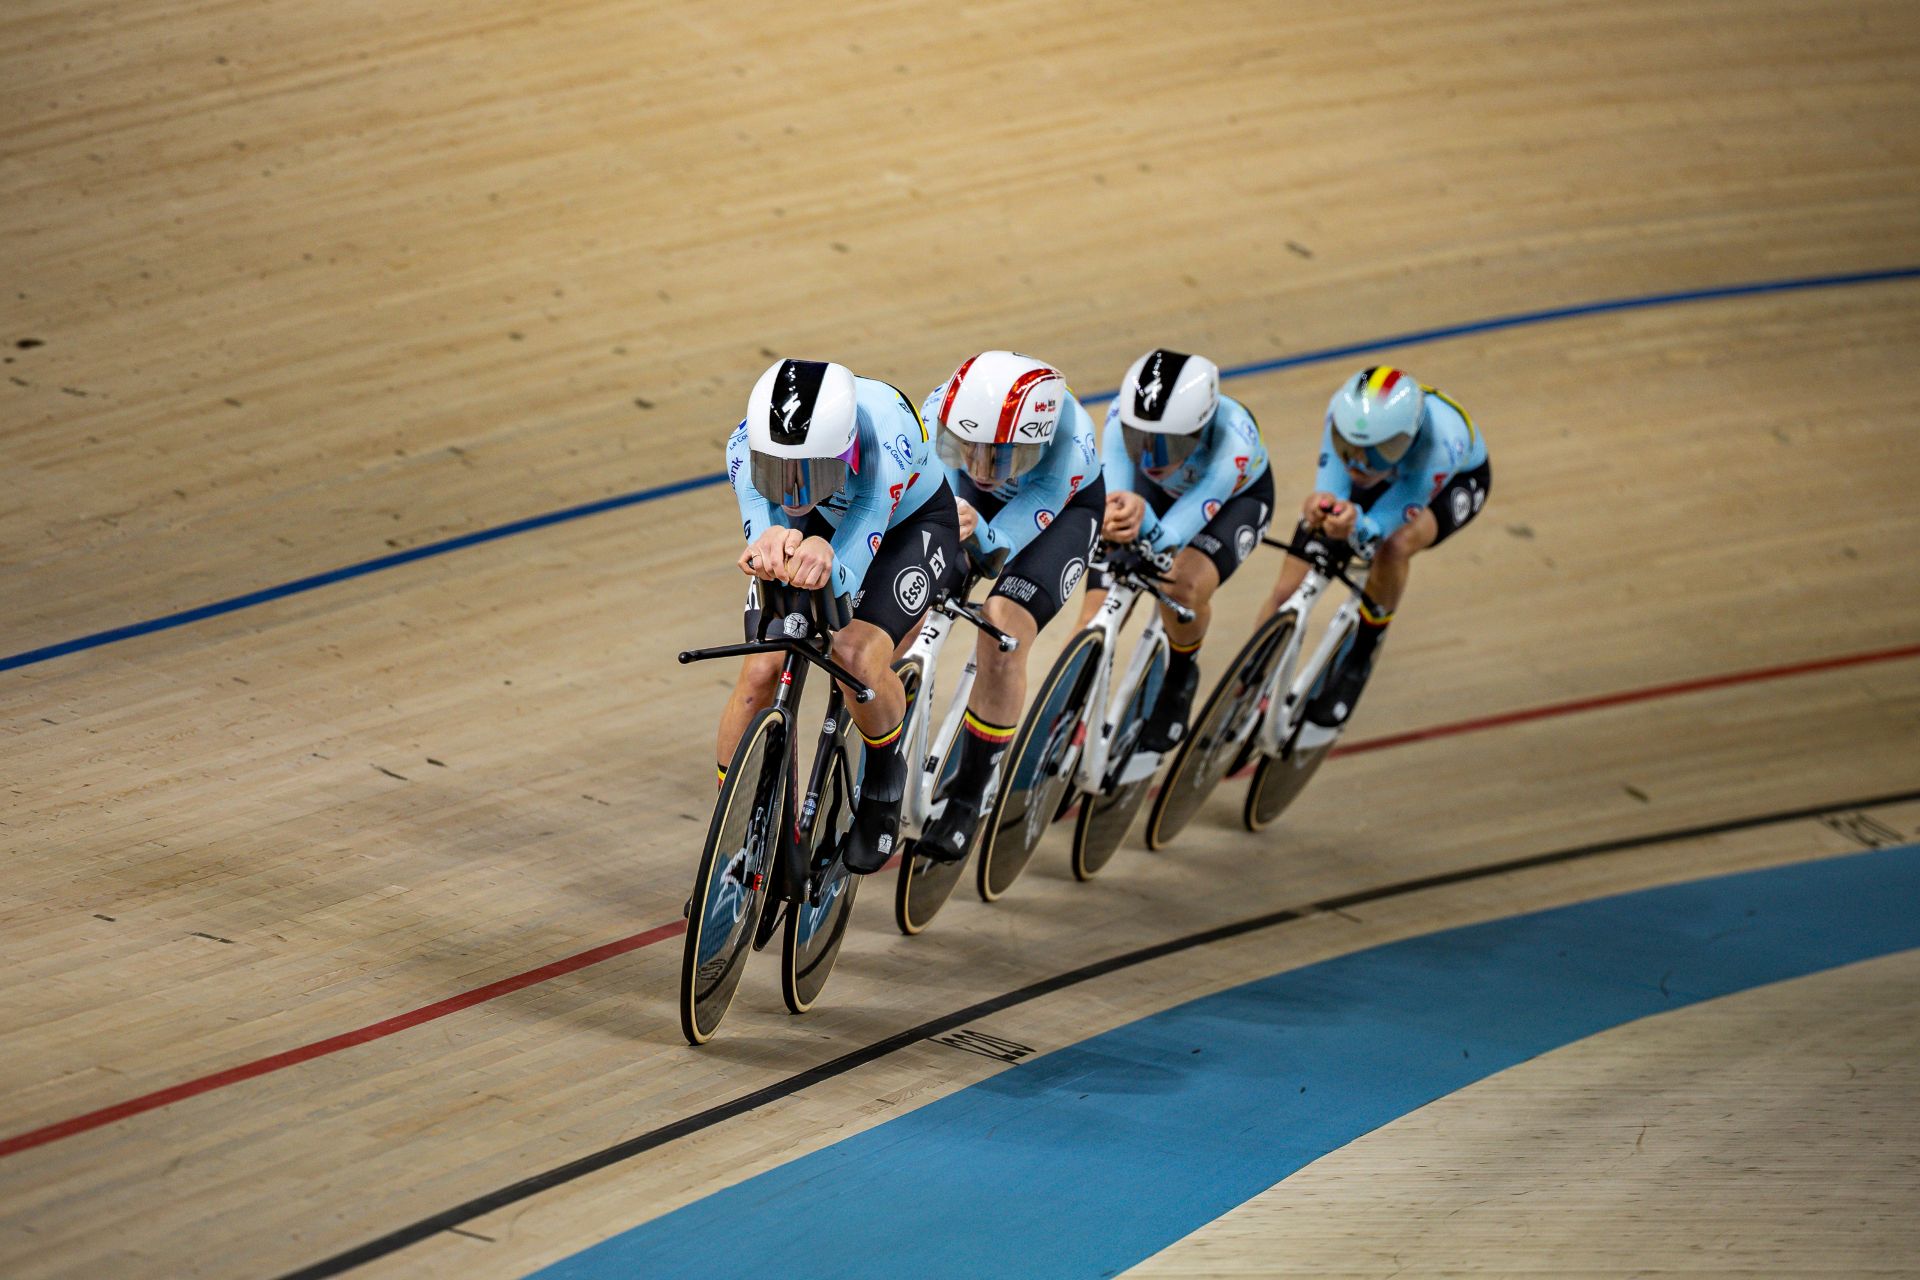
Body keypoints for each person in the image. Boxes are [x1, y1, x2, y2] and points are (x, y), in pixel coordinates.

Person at [720, 357, 962, 874]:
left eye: (814, 470)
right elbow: (765, 516)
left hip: (907, 525)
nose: (794, 486)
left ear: (846, 450)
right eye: (779, 470)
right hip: (817, 523)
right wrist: (768, 543)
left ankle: (882, 784)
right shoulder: (743, 446)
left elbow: (857, 548)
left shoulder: (884, 441)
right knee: (761, 669)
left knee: (854, 655)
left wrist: (828, 563)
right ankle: (734, 833)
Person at [911, 351, 1106, 863]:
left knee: (1001, 630)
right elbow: (933, 486)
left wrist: (973, 530)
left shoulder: (1070, 448)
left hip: (1056, 517)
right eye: (966, 449)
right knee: (907, 598)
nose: (980, 468)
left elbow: (998, 551)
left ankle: (969, 797)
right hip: (964, 505)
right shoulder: (937, 412)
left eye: (999, 457)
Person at [1260, 365, 1491, 728]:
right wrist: (1326, 509)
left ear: (1406, 440)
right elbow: (1332, 490)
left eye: (1377, 451)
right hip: (1396, 472)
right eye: (1348, 447)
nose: (1357, 463)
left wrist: (1360, 526)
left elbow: (1384, 522)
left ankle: (1361, 654)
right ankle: (1249, 680)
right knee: (1289, 585)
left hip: (1450, 481)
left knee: (1394, 546)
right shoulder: (1341, 412)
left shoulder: (1439, 445)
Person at [1079, 348, 1273, 753]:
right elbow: (1115, 496)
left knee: (1180, 585)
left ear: (1200, 429)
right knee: (1095, 606)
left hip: (1232, 502)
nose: (1150, 456)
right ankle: (1070, 696)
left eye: (1167, 445)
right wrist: (1117, 519)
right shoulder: (1121, 416)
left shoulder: (1232, 439)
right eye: (1140, 441)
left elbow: (1169, 536)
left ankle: (1180, 677)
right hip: (1153, 498)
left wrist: (1141, 521)